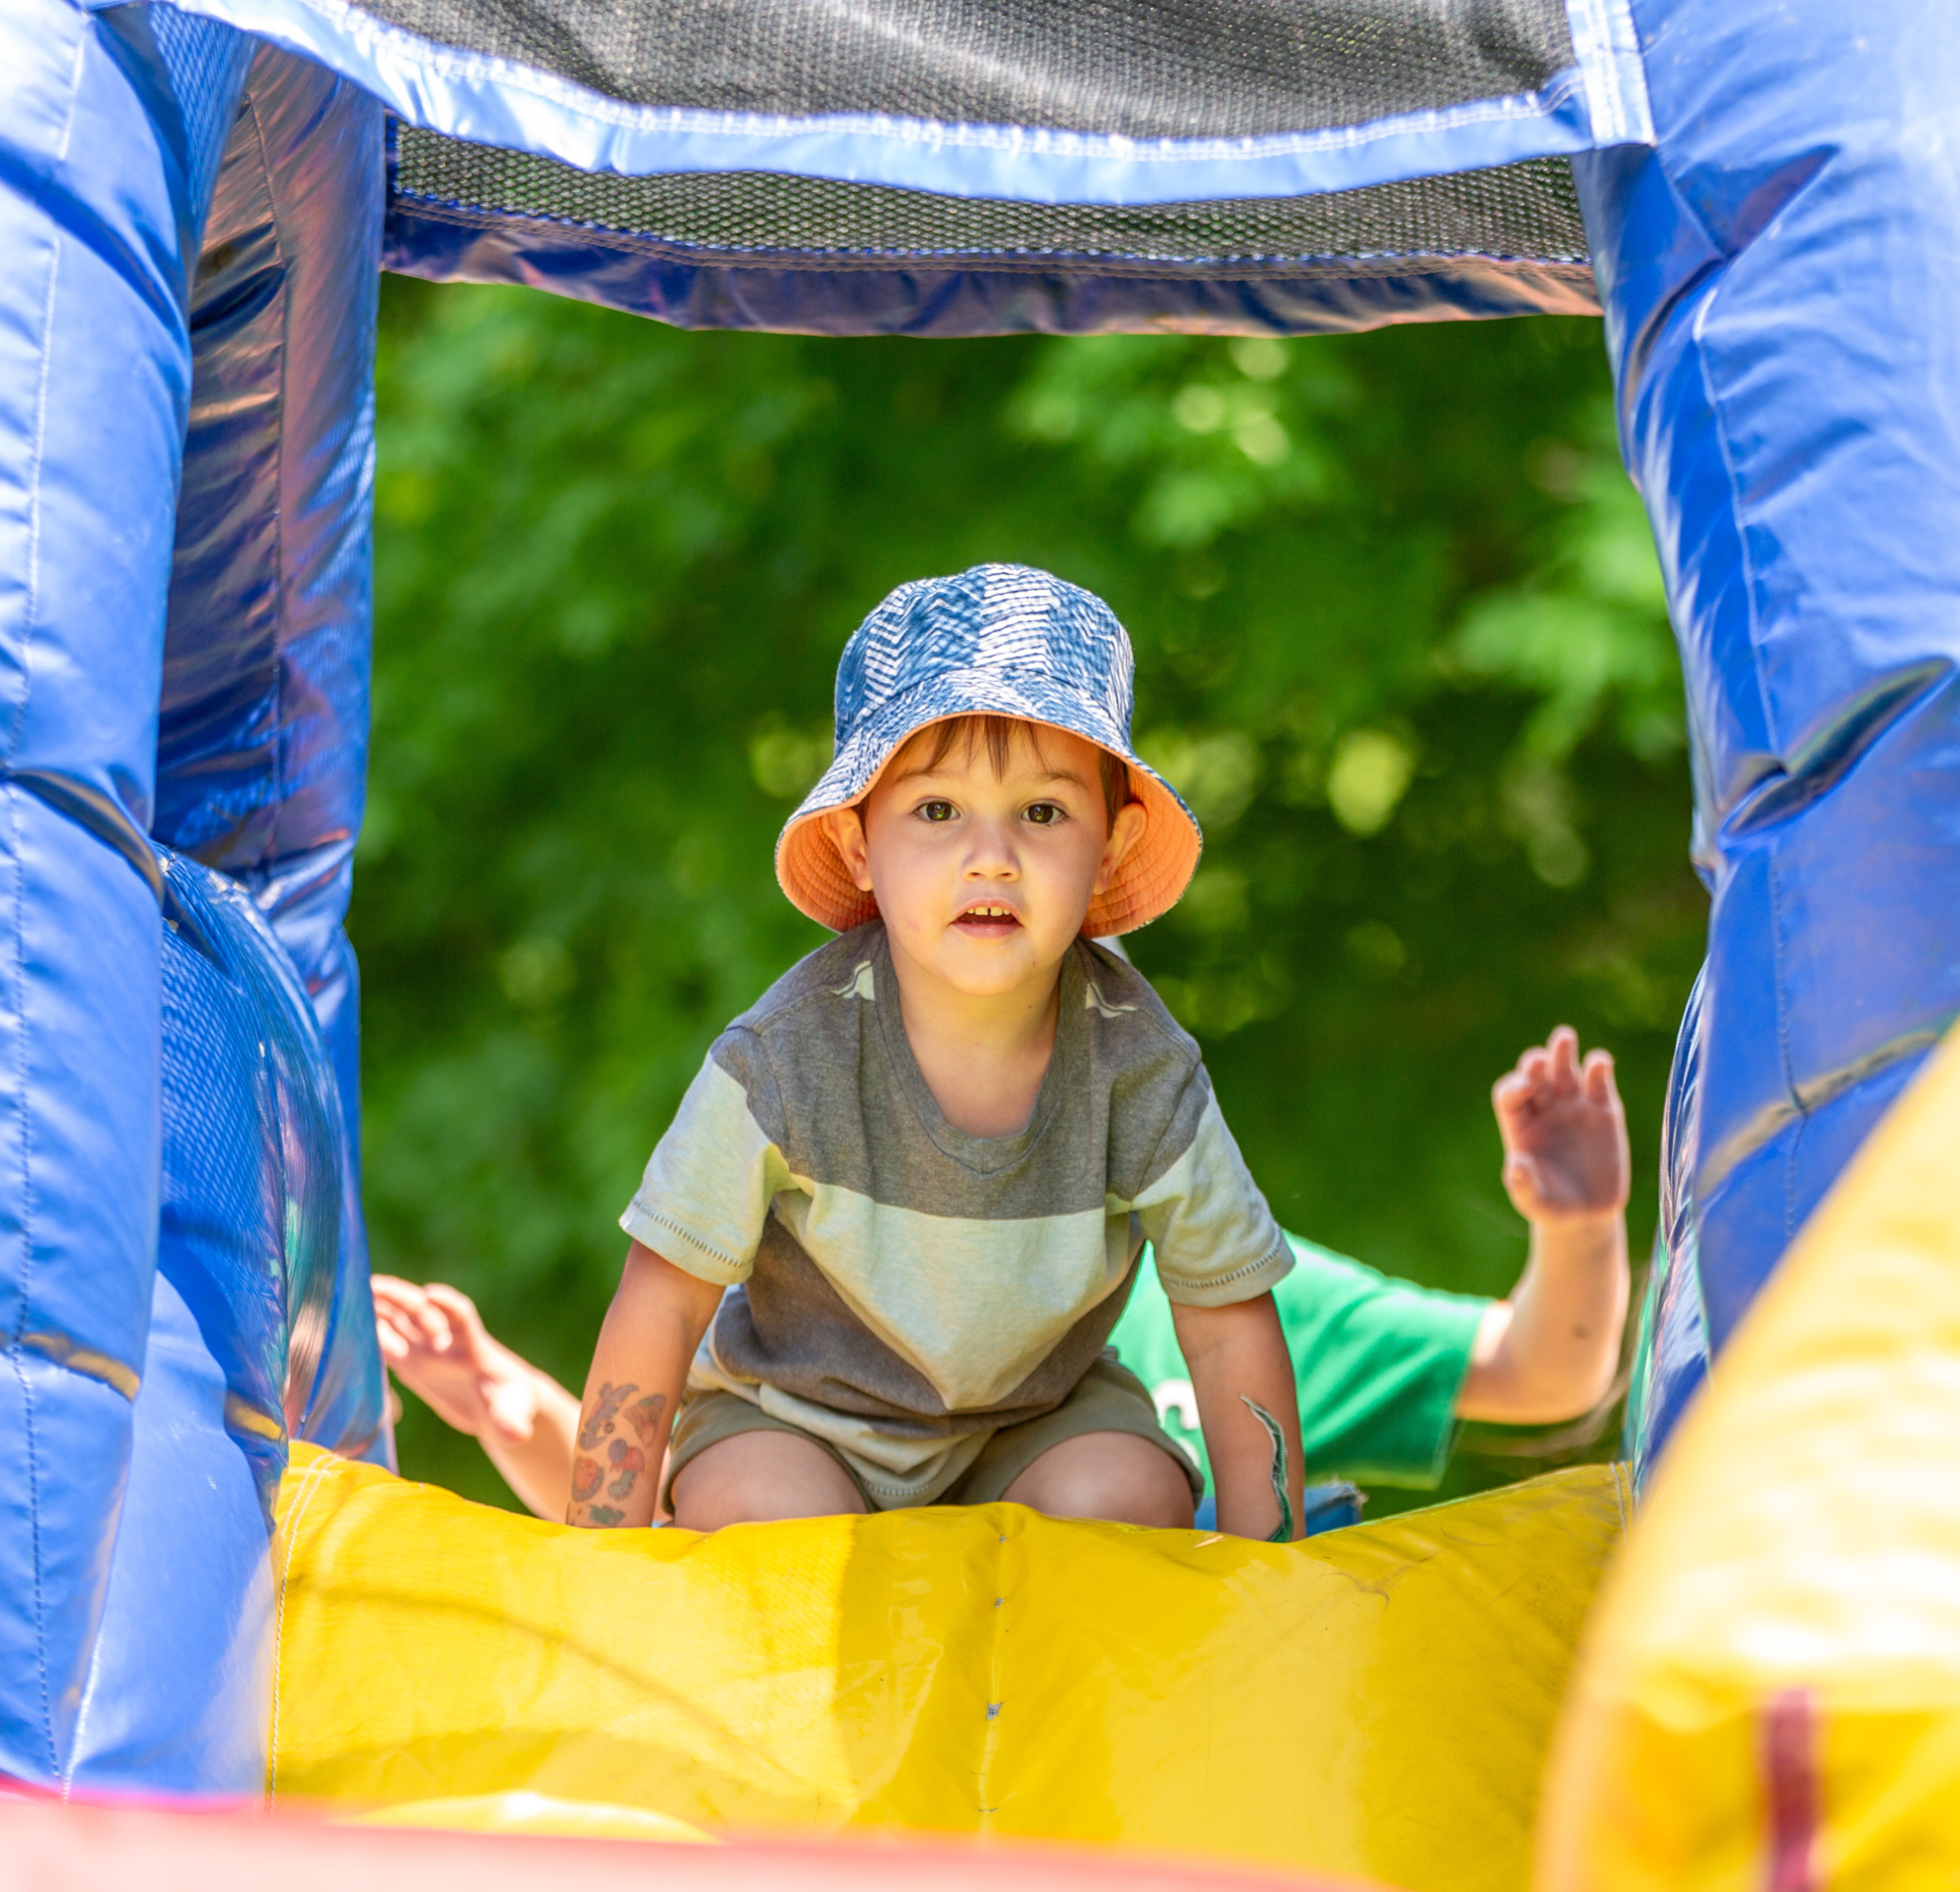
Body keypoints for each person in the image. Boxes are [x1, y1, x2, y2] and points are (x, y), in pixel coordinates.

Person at [377, 563, 1630, 1530]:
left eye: (1042, 811)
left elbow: (1237, 1321)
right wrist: (604, 1558)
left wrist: (1267, 1577)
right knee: (767, 1506)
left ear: (1106, 848)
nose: (992, 854)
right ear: (861, 845)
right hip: (802, 1420)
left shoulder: (1138, 1064)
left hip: (1032, 1429)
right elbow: (660, 1303)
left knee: (1127, 1489)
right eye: (935, 810)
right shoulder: (786, 1058)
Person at [376, 1025, 1630, 1524]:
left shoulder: (1241, 1317)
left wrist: (1580, 1230)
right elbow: (671, 1534)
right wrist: (500, 1399)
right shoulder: (837, 1349)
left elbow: (1544, 1372)